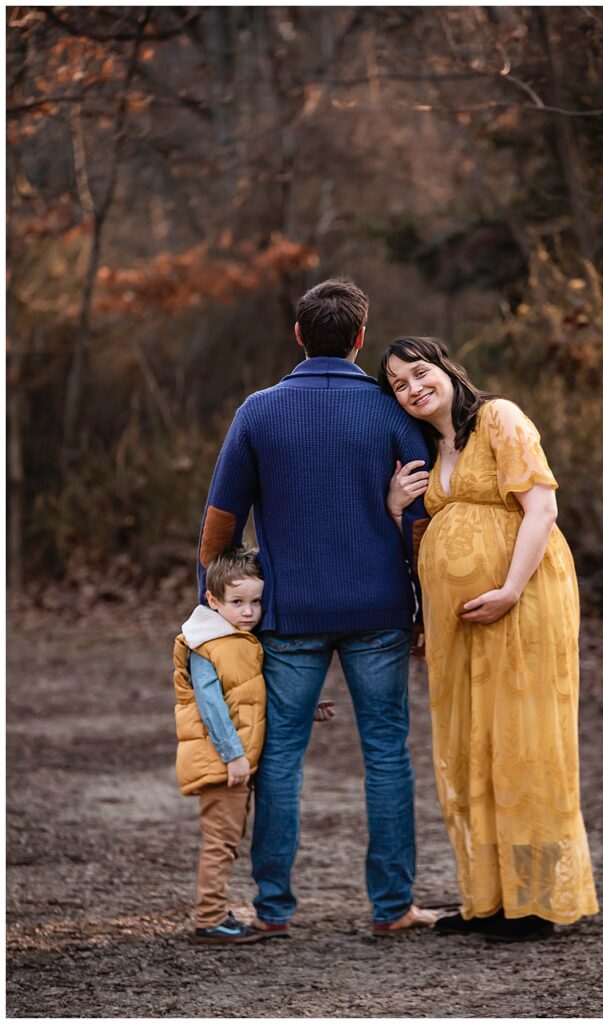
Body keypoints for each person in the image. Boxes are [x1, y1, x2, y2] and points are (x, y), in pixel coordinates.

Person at [196, 279, 436, 937]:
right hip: (380, 611)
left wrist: (211, 606)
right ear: (360, 338)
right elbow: (422, 520)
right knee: (387, 751)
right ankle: (393, 909)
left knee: (280, 757)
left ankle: (272, 911)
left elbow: (220, 521)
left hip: (289, 614)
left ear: (298, 335)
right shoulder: (394, 414)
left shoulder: (258, 411)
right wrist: (424, 609)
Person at [380, 336, 599, 943]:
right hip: (460, 625)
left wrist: (507, 589)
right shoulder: (430, 446)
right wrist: (398, 506)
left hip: (523, 602)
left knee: (522, 743)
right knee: (471, 743)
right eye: (398, 384)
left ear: (446, 369)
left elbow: (542, 511)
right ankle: (489, 898)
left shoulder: (498, 417)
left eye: (419, 373)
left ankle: (535, 903)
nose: (412, 388)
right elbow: (433, 537)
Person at [173, 546, 269, 944]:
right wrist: (233, 756)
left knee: (227, 840)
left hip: (233, 762)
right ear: (213, 601)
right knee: (221, 842)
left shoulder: (237, 640)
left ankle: (215, 910)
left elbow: (249, 695)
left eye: (256, 601)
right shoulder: (207, 645)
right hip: (222, 763)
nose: (248, 611)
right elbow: (212, 708)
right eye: (237, 602)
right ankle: (210, 919)